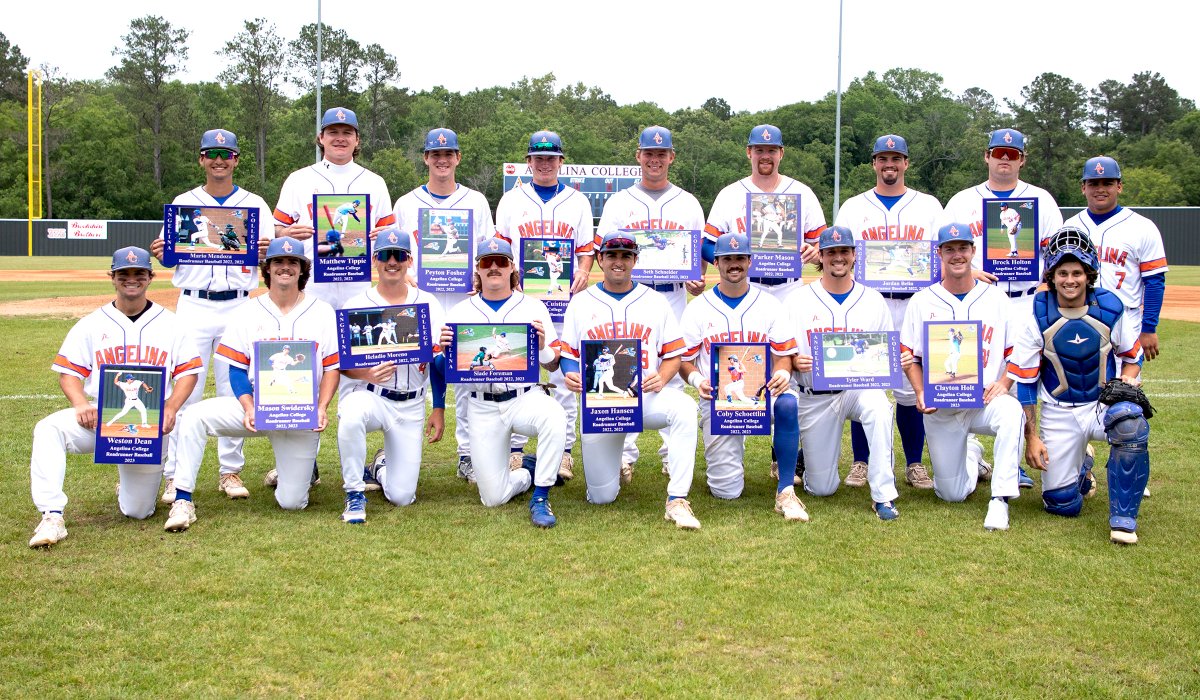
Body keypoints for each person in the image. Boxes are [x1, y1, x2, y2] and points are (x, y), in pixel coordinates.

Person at [163, 237, 341, 532]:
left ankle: (293, 472)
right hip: (257, 404)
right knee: (194, 415)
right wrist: (247, 406)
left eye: (293, 262)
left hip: (300, 413)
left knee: (292, 502)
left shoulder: (322, 311)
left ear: (302, 269)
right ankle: (183, 498)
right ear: (267, 268)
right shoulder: (247, 310)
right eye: (278, 262)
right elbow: (236, 368)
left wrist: (321, 408)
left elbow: (332, 368)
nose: (285, 267)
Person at [28, 247, 202, 548]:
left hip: (150, 428)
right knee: (48, 428)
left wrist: (171, 406)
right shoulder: (91, 324)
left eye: (139, 273)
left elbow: (188, 372)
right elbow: (68, 373)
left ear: (150, 277)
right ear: (112, 277)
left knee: (137, 511)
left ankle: (138, 486)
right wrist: (81, 404)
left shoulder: (171, 324)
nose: (131, 279)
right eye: (124, 273)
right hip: (99, 417)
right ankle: (52, 515)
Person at [1001, 226, 1149, 544]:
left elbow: (1132, 356)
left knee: (1130, 422)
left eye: (1077, 273)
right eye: (1063, 273)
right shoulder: (1036, 315)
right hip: (1059, 411)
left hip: (1101, 405)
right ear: (1052, 276)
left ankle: (1124, 520)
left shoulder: (1110, 308)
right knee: (1062, 504)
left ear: (1089, 274)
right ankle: (1083, 466)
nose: (1070, 280)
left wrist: (1128, 378)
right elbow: (1025, 383)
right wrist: (1032, 437)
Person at [150, 128, 273, 504]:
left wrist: (266, 251)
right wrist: (163, 252)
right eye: (212, 154)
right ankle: (174, 474)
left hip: (238, 303)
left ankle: (229, 471)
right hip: (194, 303)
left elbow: (269, 257)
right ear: (201, 159)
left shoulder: (255, 204)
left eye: (226, 154)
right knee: (184, 388)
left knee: (234, 390)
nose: (219, 161)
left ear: (236, 160)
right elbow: (170, 255)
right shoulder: (184, 202)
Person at [942, 128, 1062, 489]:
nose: (1005, 159)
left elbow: (1057, 254)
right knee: (974, 371)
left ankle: (1018, 458)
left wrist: (1047, 284)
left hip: (1026, 298)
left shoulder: (1041, 200)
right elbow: (940, 250)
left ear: (1022, 159)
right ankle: (971, 449)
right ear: (987, 156)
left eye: (1012, 154)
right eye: (999, 153)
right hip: (979, 298)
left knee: (1021, 377)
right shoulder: (963, 200)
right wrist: (969, 271)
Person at [560, 232, 701, 530]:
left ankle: (677, 499)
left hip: (645, 397)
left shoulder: (656, 301)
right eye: (612, 255)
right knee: (601, 497)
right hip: (601, 405)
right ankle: (613, 466)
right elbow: (569, 354)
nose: (619, 261)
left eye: (626, 255)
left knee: (685, 408)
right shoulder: (581, 302)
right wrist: (570, 372)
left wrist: (662, 378)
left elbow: (673, 354)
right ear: (600, 259)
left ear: (635, 260)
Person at [596, 126, 707, 483]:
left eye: (661, 154)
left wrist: (697, 276)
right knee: (625, 368)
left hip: (672, 294)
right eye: (649, 153)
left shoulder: (688, 202)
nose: (655, 159)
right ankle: (623, 455)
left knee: (670, 370)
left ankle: (671, 454)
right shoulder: (619, 202)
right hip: (631, 295)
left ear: (671, 157)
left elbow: (698, 252)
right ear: (638, 156)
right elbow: (603, 248)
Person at [834, 135, 943, 492]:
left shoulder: (928, 206)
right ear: (874, 163)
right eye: (883, 158)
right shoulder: (853, 207)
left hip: (915, 302)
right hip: (870, 301)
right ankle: (861, 461)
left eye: (896, 158)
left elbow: (944, 252)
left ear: (906, 163)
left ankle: (914, 463)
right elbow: (841, 253)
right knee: (863, 382)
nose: (889, 164)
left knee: (911, 390)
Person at [902, 223, 1024, 531]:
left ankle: (1000, 499)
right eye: (950, 249)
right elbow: (910, 357)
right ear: (939, 253)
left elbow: (1017, 352)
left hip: (984, 400)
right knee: (951, 494)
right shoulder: (922, 301)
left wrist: (1004, 382)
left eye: (963, 248)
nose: (957, 255)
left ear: (973, 251)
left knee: (1012, 412)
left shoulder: (996, 299)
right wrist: (920, 392)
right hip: (942, 406)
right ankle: (972, 454)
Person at [392, 128, 497, 485]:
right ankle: (404, 453)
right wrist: (407, 277)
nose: (442, 159)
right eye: (435, 154)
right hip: (421, 301)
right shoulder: (406, 203)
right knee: (414, 374)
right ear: (425, 158)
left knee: (468, 379)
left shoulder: (476, 201)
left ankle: (467, 454)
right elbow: (395, 252)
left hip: (464, 301)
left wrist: (478, 277)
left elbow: (488, 250)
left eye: (448, 154)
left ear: (458, 158)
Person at [440, 238, 564, 528]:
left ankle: (541, 496)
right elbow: (444, 368)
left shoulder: (533, 307)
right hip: (482, 405)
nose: (493, 267)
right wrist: (445, 352)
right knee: (493, 498)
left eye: (501, 261)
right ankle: (528, 472)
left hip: (524, 397)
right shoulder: (460, 311)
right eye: (487, 262)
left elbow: (553, 363)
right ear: (478, 270)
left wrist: (543, 347)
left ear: (512, 268)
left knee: (555, 416)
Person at [495, 130, 596, 483]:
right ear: (528, 162)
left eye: (551, 158)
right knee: (516, 373)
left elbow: (585, 250)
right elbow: (501, 249)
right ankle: (515, 450)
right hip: (520, 301)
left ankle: (565, 452)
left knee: (564, 377)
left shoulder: (577, 201)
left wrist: (584, 270)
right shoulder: (511, 200)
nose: (544, 164)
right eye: (538, 158)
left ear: (561, 161)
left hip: (564, 302)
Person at [678, 232, 801, 518]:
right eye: (727, 259)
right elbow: (684, 361)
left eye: (740, 258)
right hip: (717, 402)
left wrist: (783, 372)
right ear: (717, 263)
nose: (734, 264)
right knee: (726, 491)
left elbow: (784, 355)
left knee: (788, 403)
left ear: (749, 261)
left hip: (761, 396)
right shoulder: (698, 308)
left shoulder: (769, 304)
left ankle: (785, 490)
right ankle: (732, 452)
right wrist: (697, 380)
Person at [786, 226, 901, 520]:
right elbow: (781, 351)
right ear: (821, 257)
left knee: (879, 407)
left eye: (844, 251)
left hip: (858, 390)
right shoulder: (798, 300)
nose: (838, 257)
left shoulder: (873, 299)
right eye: (832, 252)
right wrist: (794, 361)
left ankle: (884, 496)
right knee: (822, 488)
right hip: (816, 395)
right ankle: (810, 463)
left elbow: (886, 352)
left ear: (854, 255)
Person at [336, 230, 447, 523]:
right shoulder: (356, 304)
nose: (392, 262)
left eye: (399, 255)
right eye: (386, 255)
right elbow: (340, 364)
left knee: (402, 496)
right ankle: (354, 492)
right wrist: (366, 373)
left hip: (411, 403)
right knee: (352, 415)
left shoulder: (428, 303)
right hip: (371, 395)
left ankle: (381, 467)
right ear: (375, 260)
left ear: (409, 260)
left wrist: (438, 407)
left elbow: (437, 361)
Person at [273, 107, 395, 311]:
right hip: (312, 283)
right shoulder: (298, 179)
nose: (340, 138)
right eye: (333, 132)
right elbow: (275, 229)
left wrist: (386, 235)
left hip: (358, 284)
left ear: (357, 139)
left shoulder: (375, 182)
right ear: (321, 137)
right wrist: (285, 233)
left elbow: (391, 235)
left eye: (347, 132)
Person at [703, 124, 825, 302]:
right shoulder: (729, 194)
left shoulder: (803, 193)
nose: (765, 156)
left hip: (790, 288)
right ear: (749, 152)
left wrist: (815, 254)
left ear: (781, 153)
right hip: (746, 286)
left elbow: (823, 244)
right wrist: (734, 259)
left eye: (772, 150)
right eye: (759, 150)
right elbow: (707, 245)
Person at [1063, 156, 1167, 362]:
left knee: (1125, 380)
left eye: (1108, 183)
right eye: (1093, 183)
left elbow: (1154, 281)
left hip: (1126, 318)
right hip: (1079, 317)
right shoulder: (1070, 227)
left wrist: (1149, 328)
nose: (1100, 189)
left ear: (1119, 187)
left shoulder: (1143, 227)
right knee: (1080, 378)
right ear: (1083, 188)